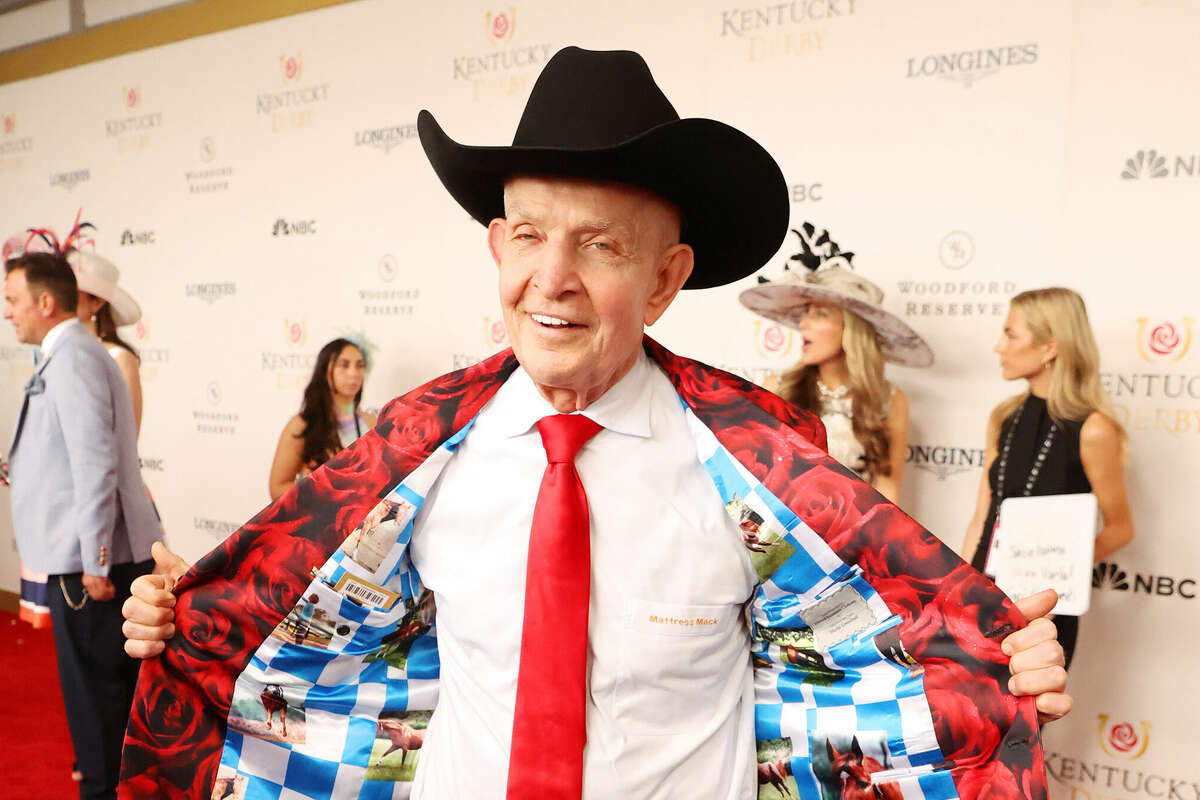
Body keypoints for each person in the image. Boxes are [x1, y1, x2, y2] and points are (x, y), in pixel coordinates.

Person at [121, 48, 1069, 800]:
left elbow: (874, 666)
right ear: (498, 246)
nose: (553, 278)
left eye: (601, 246)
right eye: (530, 234)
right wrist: (184, 612)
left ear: (664, 279)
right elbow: (306, 625)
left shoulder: (768, 466)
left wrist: (999, 661)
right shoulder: (414, 452)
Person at [3, 250, 163, 800]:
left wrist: (95, 558)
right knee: (103, 711)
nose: (8, 313)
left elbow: (96, 463)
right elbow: (72, 453)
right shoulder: (72, 353)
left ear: (45, 303)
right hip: (88, 558)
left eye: (13, 300)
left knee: (97, 715)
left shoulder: (71, 356)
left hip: (92, 565)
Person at [963, 287, 1133, 667]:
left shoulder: (1093, 429)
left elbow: (1120, 528)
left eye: (1010, 334)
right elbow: (982, 516)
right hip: (980, 597)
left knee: (1026, 722)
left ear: (1049, 348)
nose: (998, 347)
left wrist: (1056, 571)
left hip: (1044, 612)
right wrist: (957, 587)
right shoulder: (1003, 418)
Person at [740, 223, 933, 503]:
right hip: (787, 535)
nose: (803, 323)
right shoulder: (777, 388)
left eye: (820, 314)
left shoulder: (889, 400)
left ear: (850, 329)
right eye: (805, 313)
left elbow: (888, 493)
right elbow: (757, 477)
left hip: (852, 541)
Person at [267, 337, 376, 500]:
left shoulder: (372, 422)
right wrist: (323, 494)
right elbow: (278, 487)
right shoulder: (302, 425)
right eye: (343, 365)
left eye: (360, 365)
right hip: (319, 521)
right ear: (325, 370)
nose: (353, 373)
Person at [71, 249, 145, 435]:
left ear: (97, 302)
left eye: (72, 292)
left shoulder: (120, 358)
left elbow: (128, 435)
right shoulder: (54, 352)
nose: (61, 300)